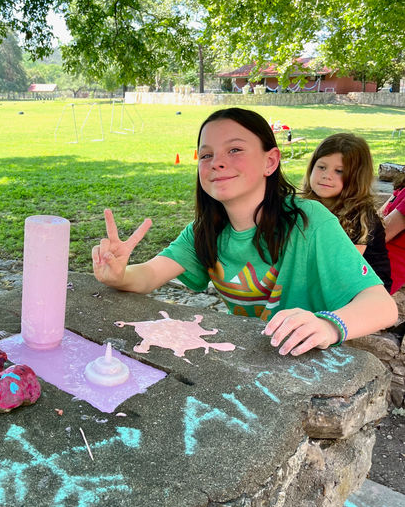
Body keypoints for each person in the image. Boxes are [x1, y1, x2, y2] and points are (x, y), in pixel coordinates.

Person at [92, 108, 397, 356]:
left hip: (310, 363)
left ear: (270, 161)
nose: (218, 163)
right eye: (206, 154)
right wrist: (120, 274)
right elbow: (149, 275)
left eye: (235, 149)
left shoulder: (309, 220)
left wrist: (328, 326)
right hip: (253, 357)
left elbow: (382, 306)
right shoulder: (204, 231)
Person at [301, 133, 392, 293]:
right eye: (321, 167)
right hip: (321, 281)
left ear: (356, 178)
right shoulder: (304, 206)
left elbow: (342, 270)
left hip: (364, 291)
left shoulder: (361, 216)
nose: (326, 176)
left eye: (339, 171)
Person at [380, 171, 405, 294]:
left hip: (382, 269)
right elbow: (378, 215)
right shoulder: (403, 186)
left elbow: (381, 235)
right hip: (373, 257)